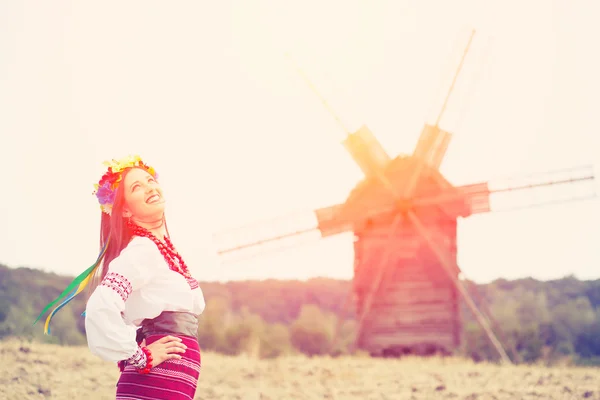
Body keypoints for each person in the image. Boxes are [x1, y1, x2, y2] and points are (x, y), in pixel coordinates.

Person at [35, 155, 206, 400]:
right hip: (153, 385)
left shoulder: (162, 251)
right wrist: (140, 356)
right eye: (137, 187)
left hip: (174, 385)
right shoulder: (142, 250)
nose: (149, 187)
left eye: (150, 180)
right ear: (124, 208)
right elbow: (100, 306)